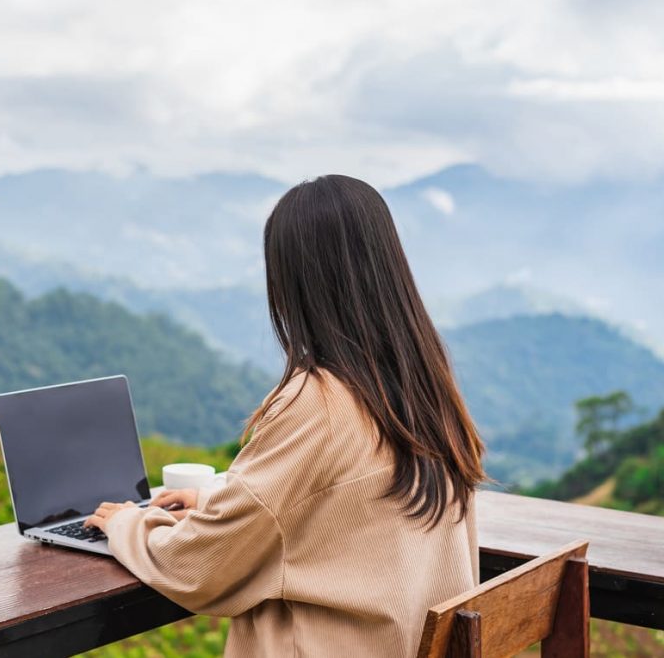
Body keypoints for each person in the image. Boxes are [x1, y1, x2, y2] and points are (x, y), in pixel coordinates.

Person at [85, 175, 486, 657]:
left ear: (292, 282)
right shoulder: (423, 385)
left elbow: (202, 566)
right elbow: (344, 508)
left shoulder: (318, 401)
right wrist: (212, 497)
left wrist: (128, 524)